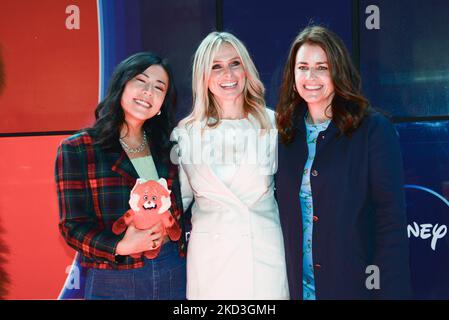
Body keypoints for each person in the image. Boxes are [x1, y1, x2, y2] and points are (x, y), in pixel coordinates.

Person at [275, 25, 412, 300]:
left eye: (321, 67)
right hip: (299, 289)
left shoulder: (372, 129)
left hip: (354, 288)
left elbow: (390, 223)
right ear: (293, 75)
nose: (310, 77)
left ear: (337, 71)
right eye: (302, 67)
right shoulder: (285, 136)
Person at [55, 52, 187, 300]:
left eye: (159, 88)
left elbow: (181, 205)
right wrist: (121, 246)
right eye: (141, 80)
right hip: (115, 276)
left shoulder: (168, 147)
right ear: (121, 85)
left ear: (162, 104)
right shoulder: (78, 148)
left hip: (172, 269)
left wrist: (169, 227)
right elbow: (72, 227)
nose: (149, 92)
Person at [171, 31, 289, 299]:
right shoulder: (185, 133)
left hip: (265, 258)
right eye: (216, 66)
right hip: (211, 263)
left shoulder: (273, 124)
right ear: (203, 77)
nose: (228, 74)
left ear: (246, 69)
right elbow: (178, 203)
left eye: (235, 63)